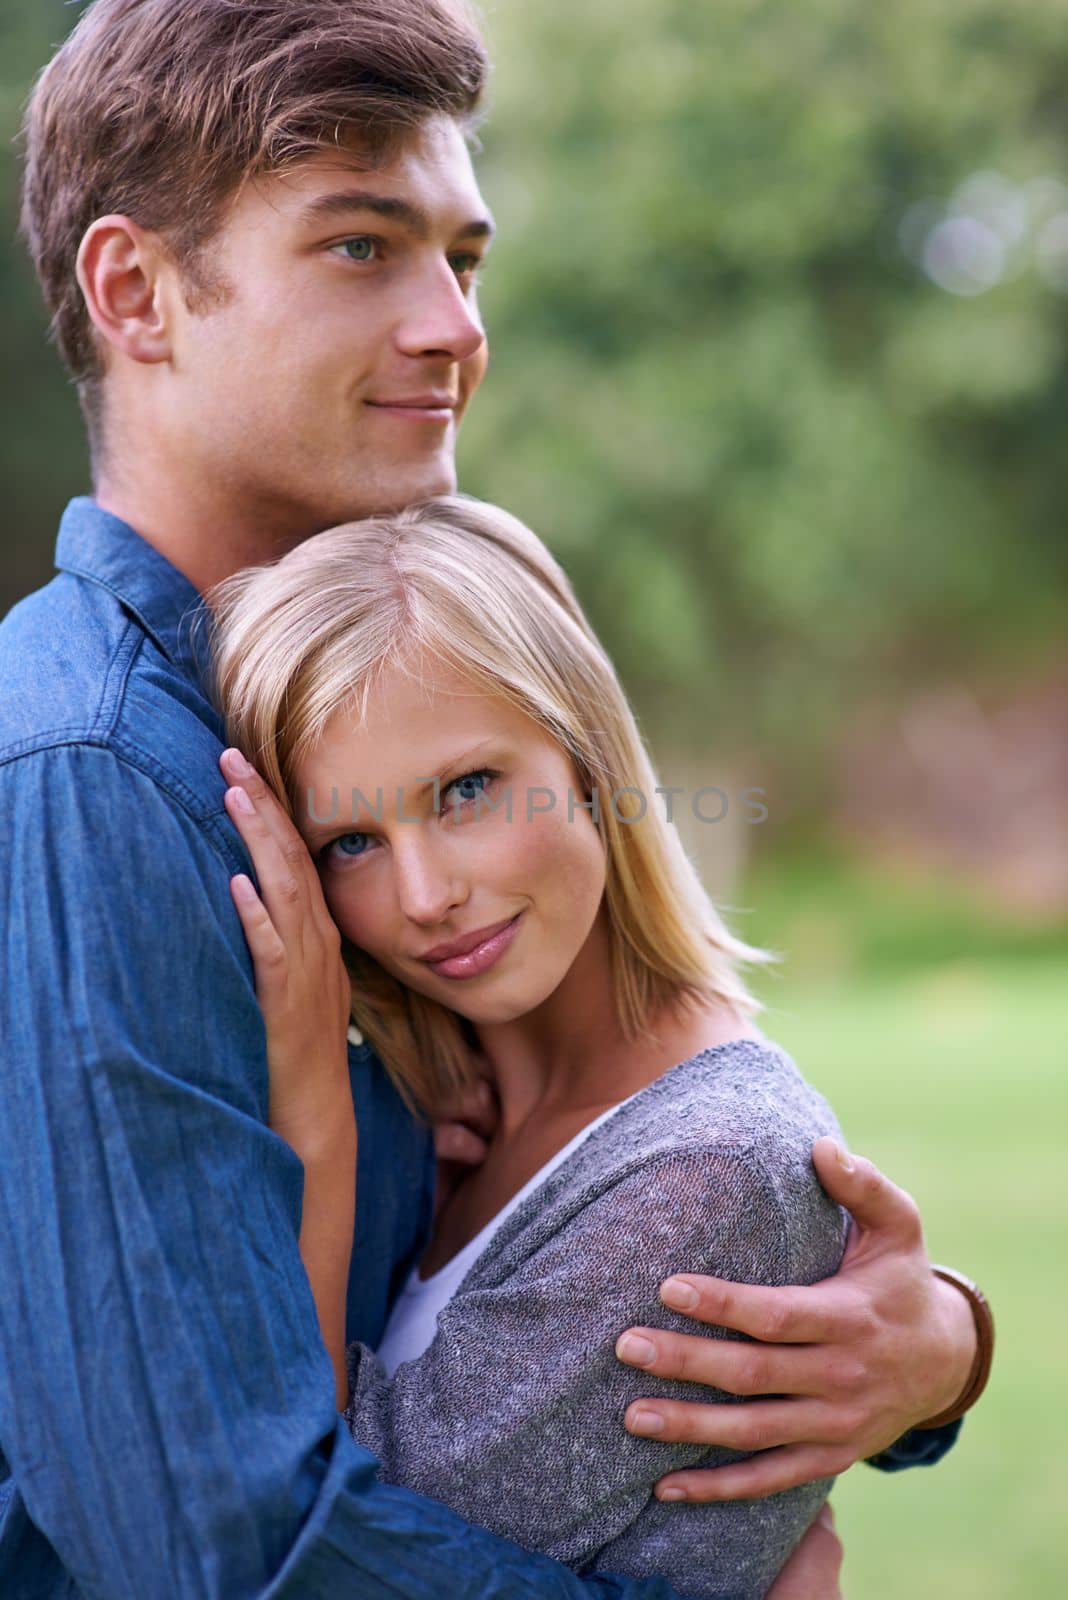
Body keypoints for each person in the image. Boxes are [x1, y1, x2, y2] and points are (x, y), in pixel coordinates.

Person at [0, 0, 989, 1596]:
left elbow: (575, 1253)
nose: (454, 324)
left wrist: (933, 1344)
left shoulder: (306, 732)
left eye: (463, 258)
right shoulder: (98, 781)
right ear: (136, 292)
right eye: (362, 248)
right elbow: (206, 1540)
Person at [203, 491, 854, 1595]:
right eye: (352, 839)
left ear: (586, 756)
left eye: (466, 789)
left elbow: (327, 1542)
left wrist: (312, 1106)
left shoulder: (704, 1174)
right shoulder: (453, 1108)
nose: (424, 896)